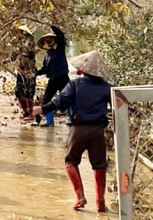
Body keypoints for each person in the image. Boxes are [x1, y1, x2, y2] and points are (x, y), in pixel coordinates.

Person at [32, 50, 112, 212]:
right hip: (98, 130)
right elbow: (120, 104)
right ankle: (100, 201)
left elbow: (59, 102)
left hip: (78, 129)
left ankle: (80, 197)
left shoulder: (75, 85)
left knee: (71, 161)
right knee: (99, 165)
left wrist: (41, 108)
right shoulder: (107, 88)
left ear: (82, 70)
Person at [35, 25, 70, 127]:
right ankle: (49, 121)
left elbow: (60, 35)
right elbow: (45, 69)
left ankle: (72, 118)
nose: (47, 43)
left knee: (68, 99)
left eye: (49, 40)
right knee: (46, 99)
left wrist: (51, 25)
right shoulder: (48, 55)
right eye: (45, 41)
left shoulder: (60, 49)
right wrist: (35, 73)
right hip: (53, 80)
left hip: (63, 78)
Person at [6, 24, 37, 121]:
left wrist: (20, 49)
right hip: (21, 70)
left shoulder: (30, 42)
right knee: (18, 91)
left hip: (29, 71)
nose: (17, 34)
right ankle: (25, 111)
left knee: (29, 92)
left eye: (19, 32)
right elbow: (13, 57)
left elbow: (31, 53)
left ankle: (30, 113)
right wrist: (7, 60)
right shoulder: (18, 44)